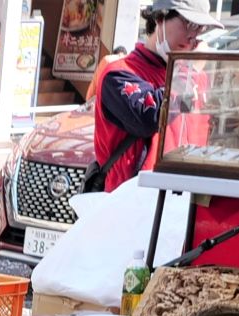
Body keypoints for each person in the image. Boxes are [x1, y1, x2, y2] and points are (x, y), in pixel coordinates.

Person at [94, 0, 220, 192]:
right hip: (134, 202)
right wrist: (191, 70)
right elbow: (151, 117)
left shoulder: (196, 77)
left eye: (200, 28)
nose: (193, 36)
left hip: (186, 200)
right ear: (160, 17)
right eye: (188, 23)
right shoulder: (119, 74)